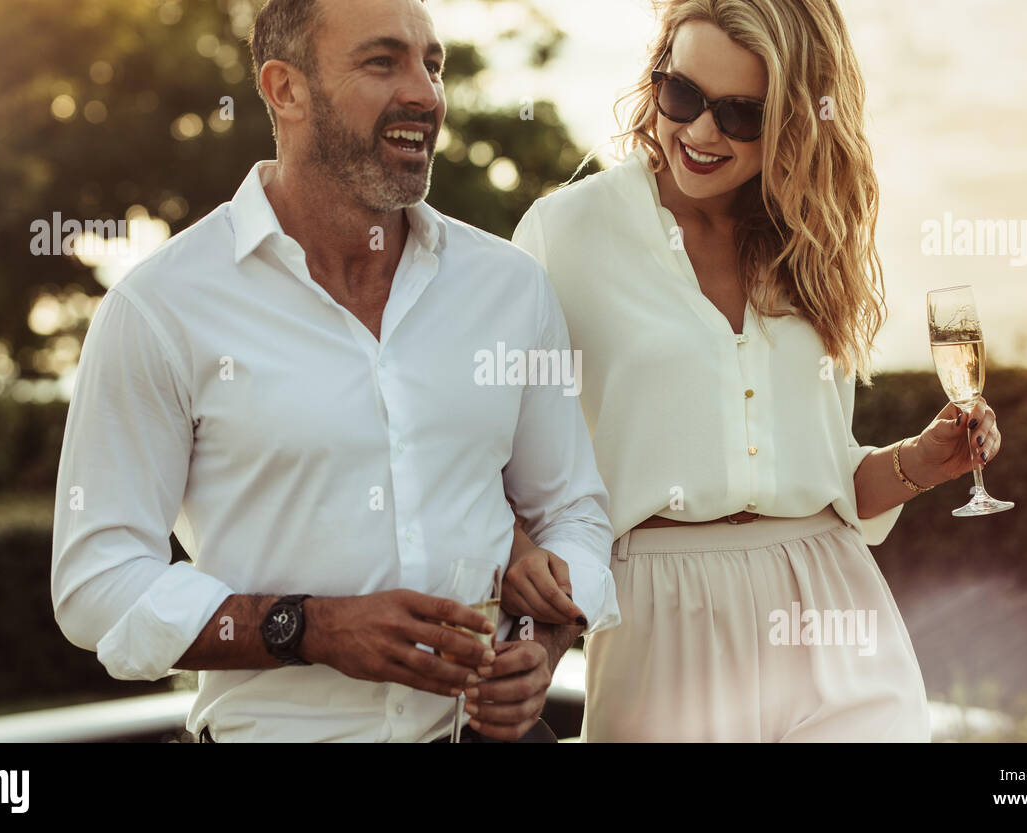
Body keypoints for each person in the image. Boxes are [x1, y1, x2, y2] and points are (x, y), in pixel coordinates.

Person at [50, 0, 619, 743]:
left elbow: (573, 513)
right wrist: (308, 626)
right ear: (285, 89)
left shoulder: (509, 289)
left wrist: (541, 645)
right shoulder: (160, 308)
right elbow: (98, 583)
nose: (424, 92)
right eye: (383, 62)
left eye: (432, 63)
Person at [503, 0, 1003, 741]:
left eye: (741, 115)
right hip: (663, 625)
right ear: (656, 81)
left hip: (835, 613)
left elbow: (823, 478)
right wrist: (525, 587)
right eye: (682, 96)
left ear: (796, 122)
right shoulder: (566, 234)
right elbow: (492, 450)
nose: (701, 133)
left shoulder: (809, 245)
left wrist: (918, 463)